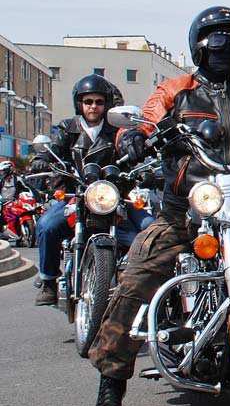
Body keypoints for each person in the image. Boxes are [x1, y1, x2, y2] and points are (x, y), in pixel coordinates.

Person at [87, 5, 230, 406]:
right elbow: (146, 117)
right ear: (199, 44)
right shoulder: (176, 90)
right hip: (188, 213)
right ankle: (112, 376)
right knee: (136, 277)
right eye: (217, 38)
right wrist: (135, 137)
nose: (227, 46)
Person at [29, 75, 152, 305]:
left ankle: (149, 287)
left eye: (98, 101)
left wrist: (139, 154)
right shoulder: (68, 128)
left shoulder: (116, 129)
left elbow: (128, 143)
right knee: (46, 226)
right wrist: (42, 158)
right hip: (76, 194)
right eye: (88, 102)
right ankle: (48, 281)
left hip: (115, 196)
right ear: (80, 104)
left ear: (106, 104)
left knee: (149, 229)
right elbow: (53, 148)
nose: (93, 106)